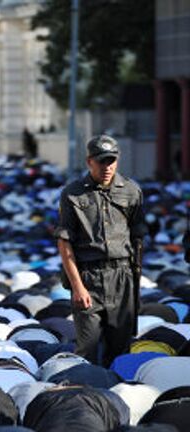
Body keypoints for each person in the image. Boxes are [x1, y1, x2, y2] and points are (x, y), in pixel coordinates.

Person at [55, 135, 147, 367]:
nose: (107, 167)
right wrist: (77, 287)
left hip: (122, 277)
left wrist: (135, 283)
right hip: (89, 277)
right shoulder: (72, 193)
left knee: (120, 348)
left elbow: (138, 239)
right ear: (89, 162)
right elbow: (65, 242)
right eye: (102, 161)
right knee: (88, 345)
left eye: (112, 161)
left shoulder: (131, 191)